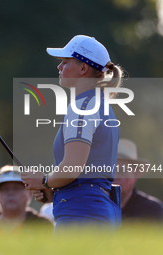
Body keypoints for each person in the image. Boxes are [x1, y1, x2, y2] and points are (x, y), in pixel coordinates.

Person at [20, 35, 122, 231]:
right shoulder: (100, 104)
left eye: (65, 62)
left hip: (82, 213)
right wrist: (54, 190)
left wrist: (43, 180)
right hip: (96, 210)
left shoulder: (83, 106)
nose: (59, 67)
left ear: (83, 68)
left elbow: (72, 167)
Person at [113, 138, 163, 223]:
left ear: (135, 174)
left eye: (122, 170)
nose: (115, 176)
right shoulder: (91, 205)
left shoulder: (152, 210)